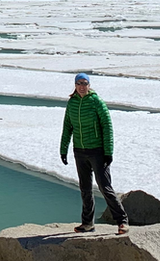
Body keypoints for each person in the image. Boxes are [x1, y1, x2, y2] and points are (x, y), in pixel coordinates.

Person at [59, 72, 127, 234]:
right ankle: (88, 223)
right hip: (80, 151)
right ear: (75, 86)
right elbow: (67, 127)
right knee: (85, 188)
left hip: (97, 151)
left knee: (105, 187)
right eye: (79, 84)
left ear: (89, 85)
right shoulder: (72, 103)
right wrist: (63, 149)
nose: (82, 87)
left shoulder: (96, 102)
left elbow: (107, 127)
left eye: (85, 83)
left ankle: (122, 221)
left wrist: (108, 152)